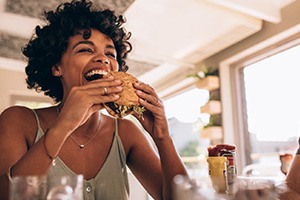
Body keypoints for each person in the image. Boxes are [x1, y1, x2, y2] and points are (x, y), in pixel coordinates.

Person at [0, 0, 188, 199]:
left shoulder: (126, 132)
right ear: (56, 67)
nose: (103, 59)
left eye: (110, 53)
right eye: (85, 49)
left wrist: (163, 138)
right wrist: (63, 126)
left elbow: (181, 198)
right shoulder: (18, 120)